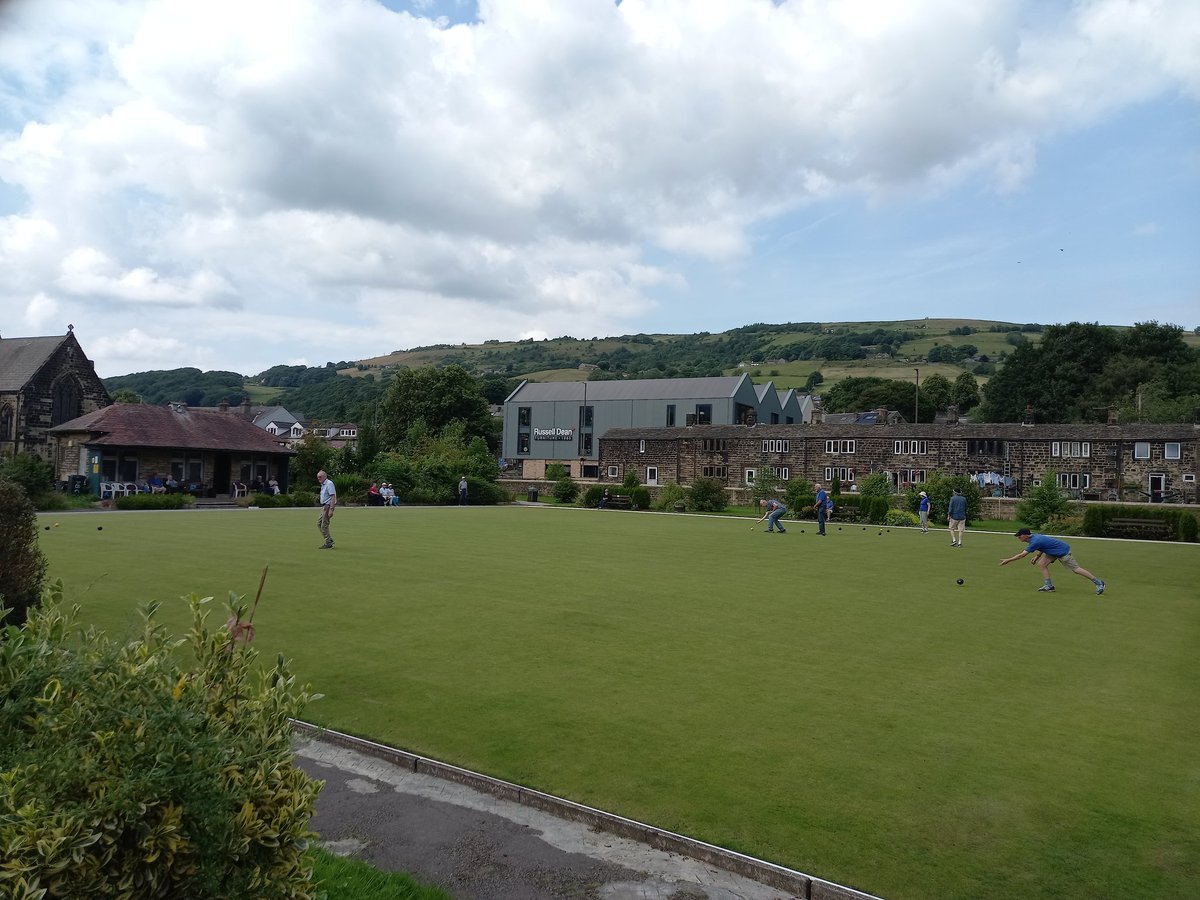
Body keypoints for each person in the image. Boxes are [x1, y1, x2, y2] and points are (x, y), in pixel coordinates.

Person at [1001, 528, 1105, 595]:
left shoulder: (1034, 541)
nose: (1018, 537)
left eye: (1020, 536)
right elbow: (1043, 546)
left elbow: (1022, 555)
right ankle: (1049, 586)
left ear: (1026, 535)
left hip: (1062, 551)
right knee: (1042, 564)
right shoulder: (1034, 538)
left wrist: (1008, 560)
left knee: (1076, 569)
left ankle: (1099, 583)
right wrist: (1037, 556)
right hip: (1053, 551)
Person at [316, 470, 337, 549]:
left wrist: (331, 509)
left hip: (328, 507)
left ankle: (328, 542)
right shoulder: (323, 485)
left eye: (320, 477)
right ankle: (329, 539)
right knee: (319, 523)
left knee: (324, 525)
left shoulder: (329, 484)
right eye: (318, 477)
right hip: (324, 507)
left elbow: (333, 497)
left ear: (325, 476)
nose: (319, 478)